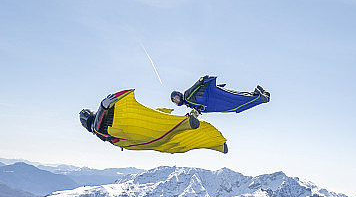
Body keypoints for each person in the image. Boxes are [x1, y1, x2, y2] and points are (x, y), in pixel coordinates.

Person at [79, 89, 227, 155]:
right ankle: (193, 125)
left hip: (133, 138)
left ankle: (214, 142)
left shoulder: (104, 121)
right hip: (131, 137)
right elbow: (98, 127)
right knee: (164, 133)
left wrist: (106, 107)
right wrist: (103, 105)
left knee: (169, 143)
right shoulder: (98, 128)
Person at [171, 75, 270, 115]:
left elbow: (194, 88)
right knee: (235, 106)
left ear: (178, 95)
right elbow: (197, 109)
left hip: (214, 95)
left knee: (235, 99)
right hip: (215, 104)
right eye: (174, 101)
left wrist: (201, 81)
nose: (176, 100)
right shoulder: (189, 103)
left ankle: (259, 96)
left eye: (176, 98)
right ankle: (257, 96)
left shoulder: (187, 95)